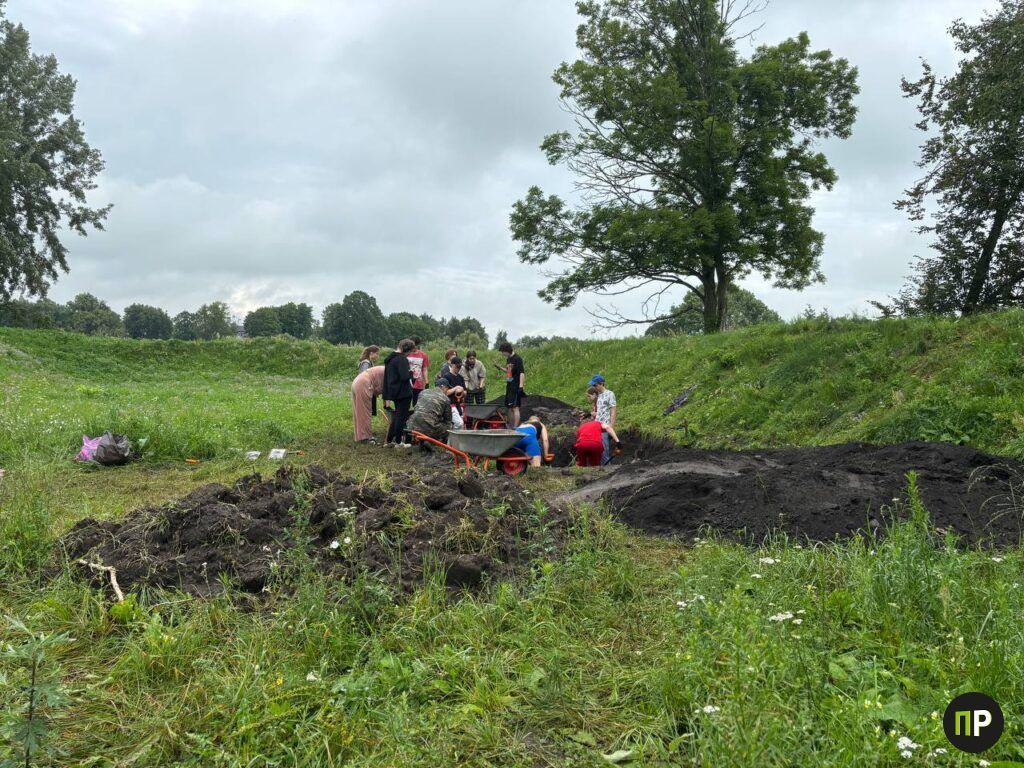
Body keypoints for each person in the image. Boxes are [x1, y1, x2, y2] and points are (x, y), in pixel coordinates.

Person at [383, 339, 416, 447]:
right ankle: (398, 442)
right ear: (406, 350)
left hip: (394, 391)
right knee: (401, 417)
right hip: (403, 392)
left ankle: (389, 440)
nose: (409, 354)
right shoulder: (401, 359)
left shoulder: (391, 358)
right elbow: (404, 377)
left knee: (397, 416)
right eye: (410, 352)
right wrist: (411, 373)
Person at [351, 364, 385, 443]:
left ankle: (360, 436)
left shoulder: (387, 369)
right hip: (364, 383)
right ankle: (365, 437)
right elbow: (386, 391)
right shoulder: (391, 372)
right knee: (365, 412)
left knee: (359, 412)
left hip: (359, 381)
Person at [495, 341, 525, 428]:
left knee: (515, 407)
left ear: (507, 350)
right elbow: (509, 372)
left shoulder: (518, 359)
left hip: (516, 386)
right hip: (509, 385)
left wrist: (521, 386)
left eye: (503, 352)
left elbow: (521, 373)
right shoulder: (508, 359)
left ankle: (516, 427)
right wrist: (500, 368)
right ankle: (511, 427)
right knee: (509, 407)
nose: (502, 354)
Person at [589, 375, 618, 465]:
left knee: (604, 452)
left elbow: (613, 411)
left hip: (605, 428)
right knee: (598, 451)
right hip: (596, 427)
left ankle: (608, 470)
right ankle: (600, 469)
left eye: (595, 385)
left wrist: (611, 427)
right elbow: (601, 412)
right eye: (593, 385)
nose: (594, 387)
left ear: (601, 384)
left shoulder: (610, 394)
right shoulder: (599, 396)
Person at [436, 356, 467, 429]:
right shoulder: (446, 376)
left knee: (461, 424)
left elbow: (465, 392)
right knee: (459, 423)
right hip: (450, 404)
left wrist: (462, 391)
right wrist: (455, 388)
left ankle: (456, 435)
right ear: (452, 365)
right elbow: (444, 392)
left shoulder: (460, 377)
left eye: (460, 367)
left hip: (458, 404)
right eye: (457, 366)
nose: (458, 368)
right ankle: (453, 435)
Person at [407, 337, 429, 406]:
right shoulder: (406, 354)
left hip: (419, 383)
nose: (413, 347)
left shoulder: (423, 355)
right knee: (406, 403)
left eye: (414, 345)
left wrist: (426, 381)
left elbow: (424, 369)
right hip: (407, 383)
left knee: (417, 404)